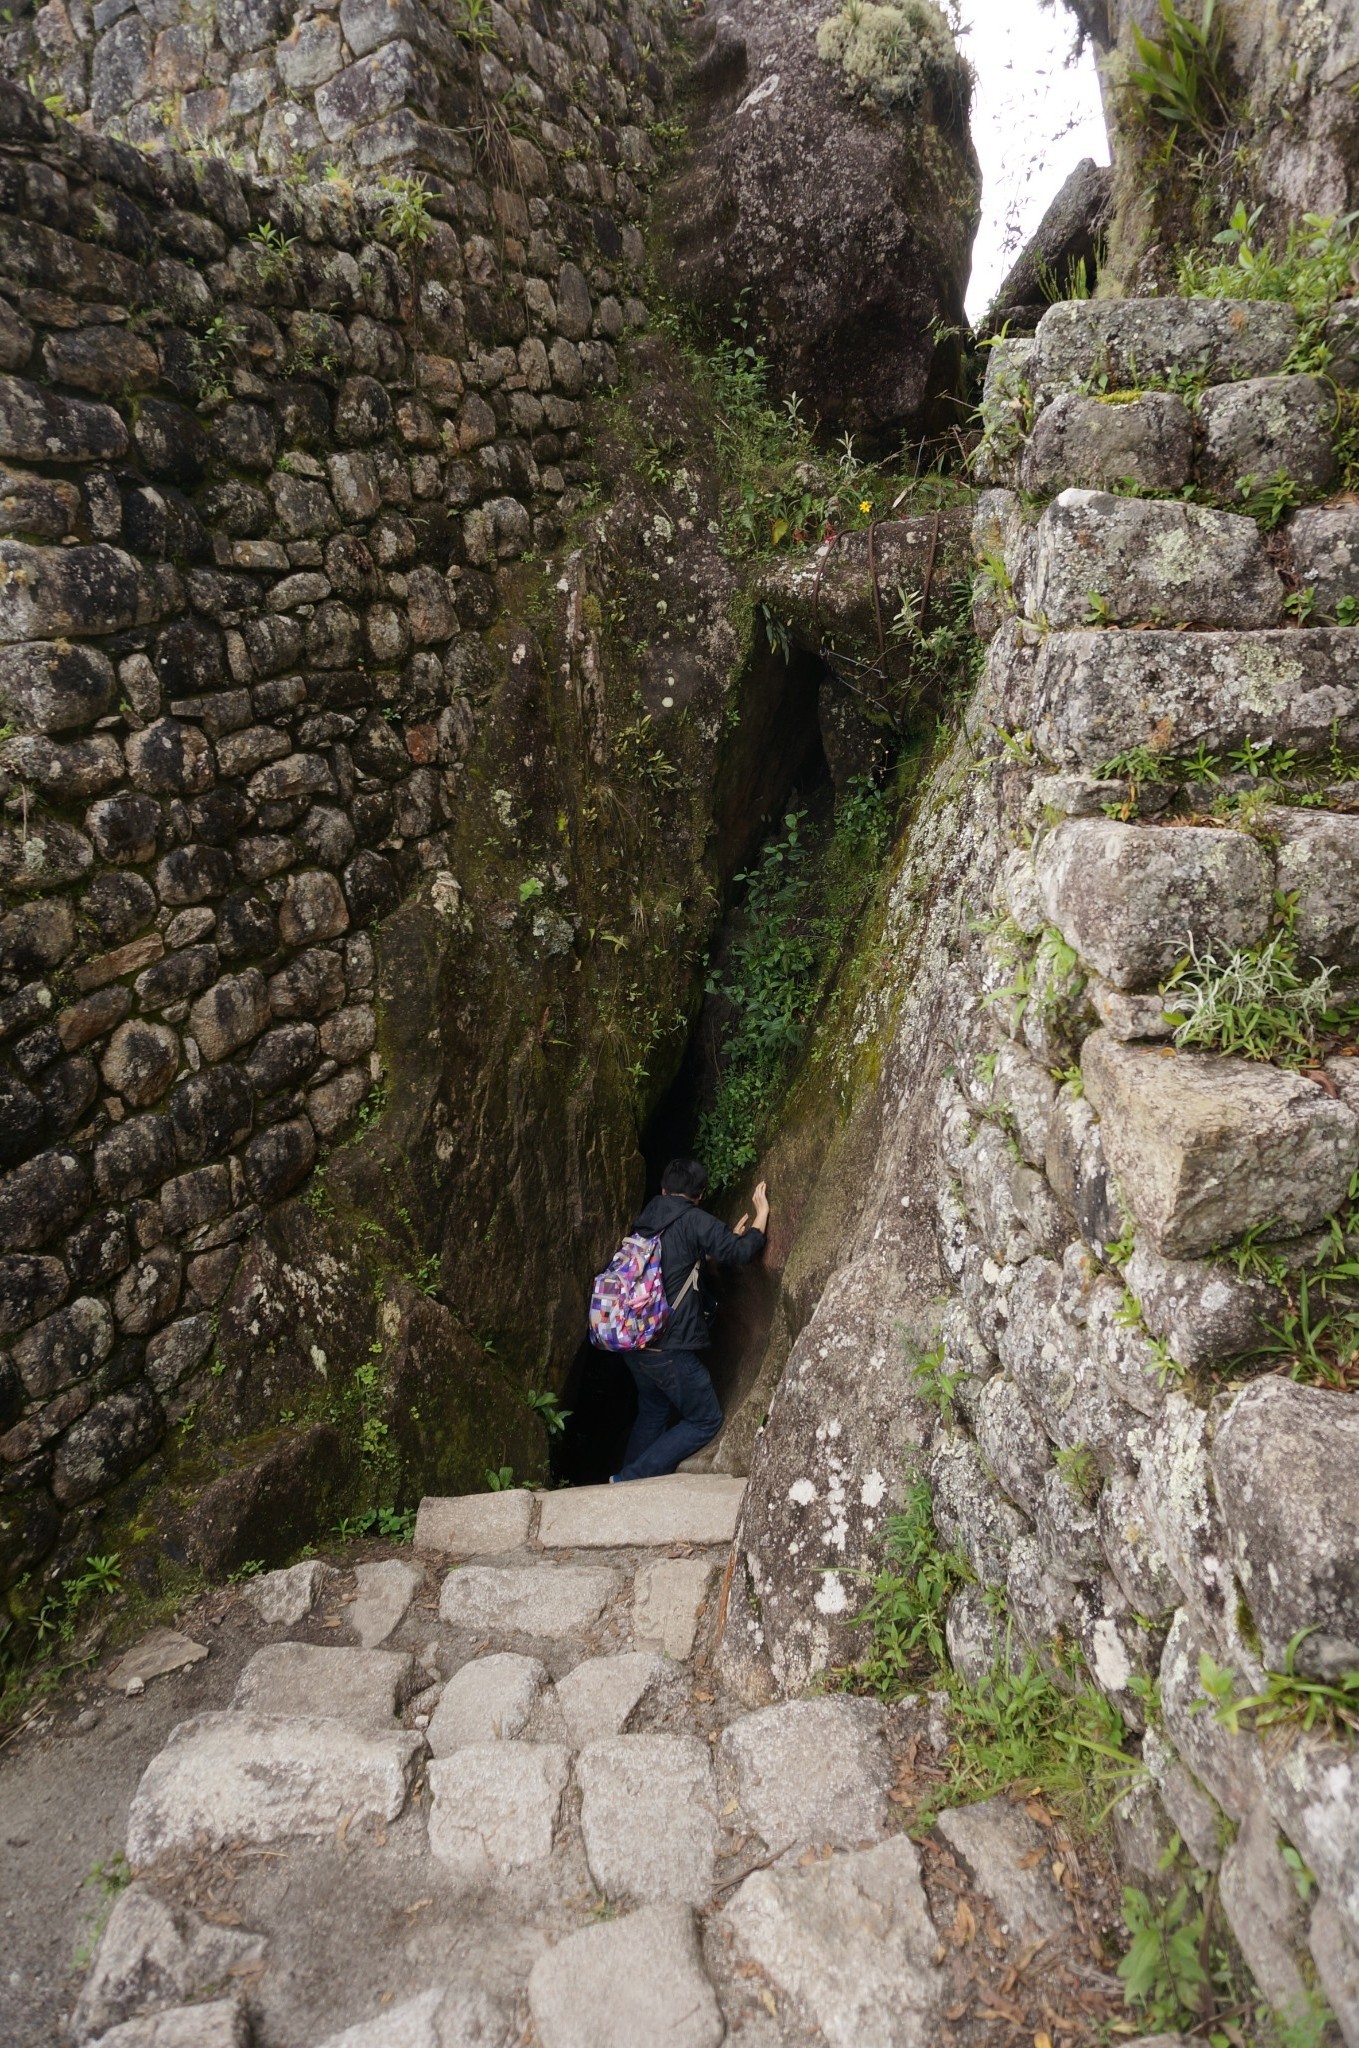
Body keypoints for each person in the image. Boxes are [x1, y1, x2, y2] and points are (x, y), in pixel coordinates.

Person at [613, 1157, 770, 1482]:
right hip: (668, 1349)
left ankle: (622, 1483)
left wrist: (710, 1252)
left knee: (653, 1409)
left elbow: (673, 1263)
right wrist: (762, 1217)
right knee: (705, 1420)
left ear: (663, 1189)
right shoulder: (695, 1221)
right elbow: (741, 1253)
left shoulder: (647, 1218)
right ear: (699, 1195)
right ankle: (629, 1479)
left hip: (633, 1341)